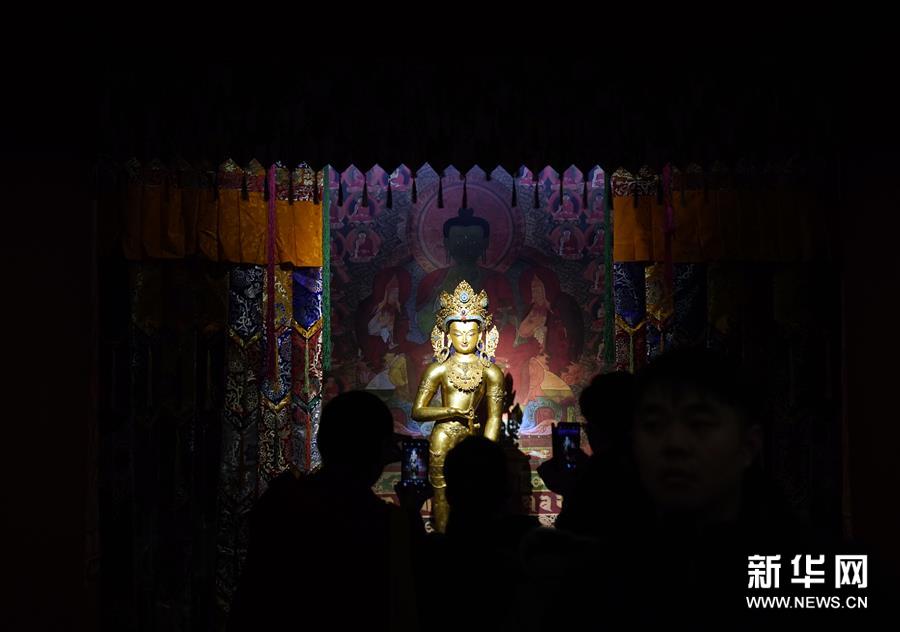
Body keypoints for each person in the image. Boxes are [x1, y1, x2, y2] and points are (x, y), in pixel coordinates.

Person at [411, 280, 505, 532]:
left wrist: (487, 449)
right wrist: (450, 412)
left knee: (478, 495)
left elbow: (494, 417)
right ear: (447, 335)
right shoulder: (438, 369)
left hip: (473, 437)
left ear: (481, 335)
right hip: (442, 437)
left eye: (471, 333)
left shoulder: (491, 372)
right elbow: (417, 411)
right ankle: (443, 543)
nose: (464, 339)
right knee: (442, 495)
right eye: (458, 333)